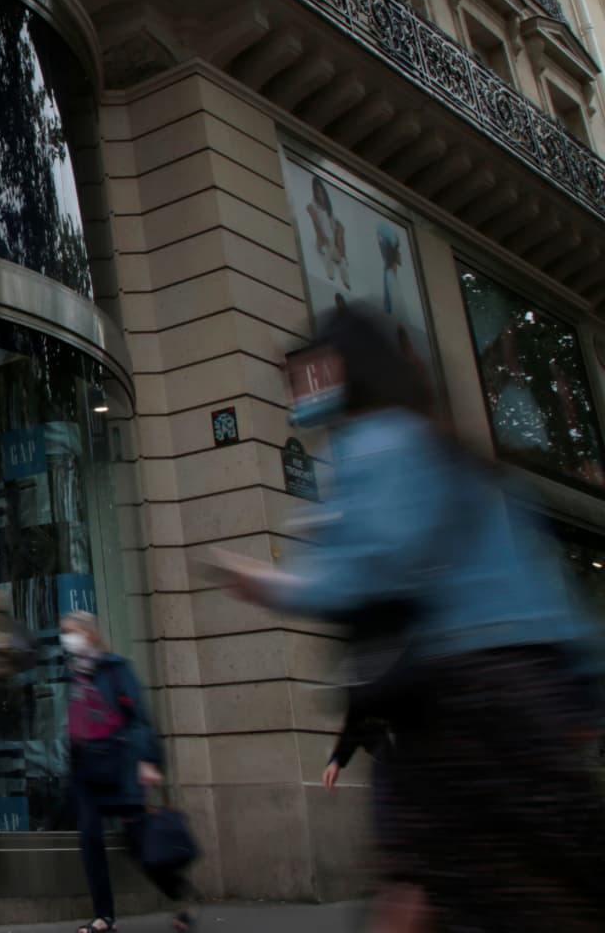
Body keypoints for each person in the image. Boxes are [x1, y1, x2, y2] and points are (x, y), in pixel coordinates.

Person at [210, 308, 605, 932]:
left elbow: (373, 566)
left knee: (429, 887)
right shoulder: (460, 458)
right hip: (532, 701)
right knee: (536, 893)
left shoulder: (374, 442)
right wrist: (582, 701)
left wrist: (272, 583)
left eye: (305, 373)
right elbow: (559, 602)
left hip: (458, 706)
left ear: (345, 369)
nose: (297, 390)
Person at [58, 611, 196, 933]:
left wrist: (147, 760)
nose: (68, 639)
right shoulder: (73, 674)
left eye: (73, 631)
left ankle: (181, 895)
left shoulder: (116, 668)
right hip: (86, 771)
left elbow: (138, 717)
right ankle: (104, 917)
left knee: (140, 844)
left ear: (91, 634)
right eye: (65, 632)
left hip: (120, 766)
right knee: (90, 839)